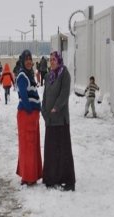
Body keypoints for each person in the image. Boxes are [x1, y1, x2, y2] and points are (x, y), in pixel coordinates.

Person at [41, 51, 75, 191]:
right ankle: (51, 178)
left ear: (59, 60)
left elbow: (64, 94)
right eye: (50, 59)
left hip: (60, 120)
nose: (52, 62)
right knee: (51, 151)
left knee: (63, 151)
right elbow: (45, 96)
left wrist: (55, 108)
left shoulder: (64, 74)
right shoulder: (48, 76)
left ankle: (67, 180)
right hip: (50, 120)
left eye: (54, 59)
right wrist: (44, 111)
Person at [16, 49, 42, 186]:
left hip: (31, 116)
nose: (29, 62)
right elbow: (24, 98)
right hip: (27, 115)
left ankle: (32, 174)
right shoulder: (22, 76)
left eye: (30, 59)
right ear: (22, 61)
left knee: (32, 147)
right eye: (26, 59)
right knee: (28, 147)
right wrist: (31, 111)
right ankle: (28, 177)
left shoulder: (29, 75)